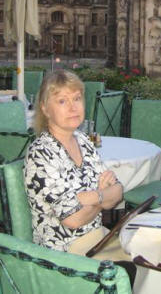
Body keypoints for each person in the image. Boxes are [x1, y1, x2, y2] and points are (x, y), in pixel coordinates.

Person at [24, 69, 123, 252]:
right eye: (62, 101)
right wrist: (102, 196)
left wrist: (91, 197)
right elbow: (73, 220)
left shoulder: (83, 140)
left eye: (77, 99)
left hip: (97, 239)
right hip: (65, 253)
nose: (73, 108)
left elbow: (118, 190)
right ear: (45, 108)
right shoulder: (41, 154)